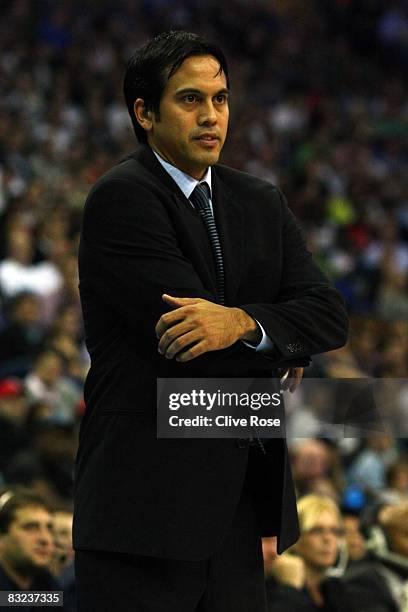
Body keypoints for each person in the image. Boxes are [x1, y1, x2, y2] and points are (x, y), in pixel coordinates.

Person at [73, 30, 348, 611]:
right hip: (145, 512)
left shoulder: (259, 200)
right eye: (190, 99)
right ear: (144, 113)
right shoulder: (123, 197)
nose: (211, 116)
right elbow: (192, 335)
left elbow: (329, 315)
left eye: (220, 99)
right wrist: (280, 338)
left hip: (240, 511)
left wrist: (247, 324)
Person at [265, 494, 357, 611]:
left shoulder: (337, 590)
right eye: (317, 530)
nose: (328, 539)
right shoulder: (273, 589)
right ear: (295, 539)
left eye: (334, 531)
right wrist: (290, 589)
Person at [0, 488, 61, 612]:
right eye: (31, 527)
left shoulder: (47, 583)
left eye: (49, 528)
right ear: (2, 537)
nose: (45, 539)